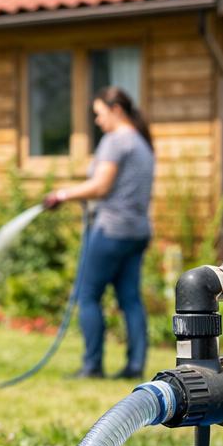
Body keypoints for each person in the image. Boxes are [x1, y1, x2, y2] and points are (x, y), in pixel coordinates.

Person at [43, 85, 156, 379]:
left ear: (116, 110)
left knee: (88, 295)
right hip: (137, 230)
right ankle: (135, 365)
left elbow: (100, 187)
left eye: (99, 114)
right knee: (130, 298)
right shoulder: (143, 144)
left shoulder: (116, 141)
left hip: (112, 230)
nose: (97, 121)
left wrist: (62, 194)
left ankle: (92, 366)